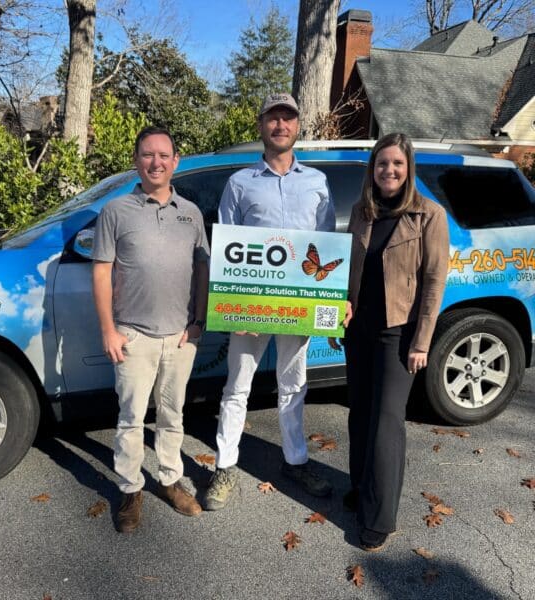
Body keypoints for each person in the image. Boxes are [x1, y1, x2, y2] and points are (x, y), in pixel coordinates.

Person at [204, 93, 336, 511]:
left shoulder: (317, 182)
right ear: (261, 125)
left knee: (293, 385)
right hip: (250, 307)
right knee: (237, 387)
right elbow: (227, 248)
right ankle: (225, 466)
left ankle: (295, 461)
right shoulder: (240, 182)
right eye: (273, 117)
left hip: (296, 306)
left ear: (298, 126)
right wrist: (232, 307)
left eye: (288, 118)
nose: (281, 124)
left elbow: (327, 244)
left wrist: (321, 306)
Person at [331, 132, 449, 551]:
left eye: (397, 164)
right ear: (373, 168)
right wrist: (339, 309)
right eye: (383, 164)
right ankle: (363, 488)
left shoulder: (428, 215)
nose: (389, 171)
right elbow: (348, 269)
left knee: (386, 422)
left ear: (408, 168)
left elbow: (435, 282)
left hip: (399, 332)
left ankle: (381, 516)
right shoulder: (364, 211)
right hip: (359, 329)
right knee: (359, 413)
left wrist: (422, 342)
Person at [92, 126, 210, 532]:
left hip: (180, 336)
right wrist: (109, 330)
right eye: (147, 154)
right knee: (130, 418)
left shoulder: (191, 213)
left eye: (164, 155)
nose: (156, 162)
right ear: (136, 160)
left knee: (173, 415)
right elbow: (102, 271)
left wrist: (198, 323)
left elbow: (202, 269)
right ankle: (130, 489)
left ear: (175, 161)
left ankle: (170, 479)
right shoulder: (115, 212)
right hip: (133, 336)